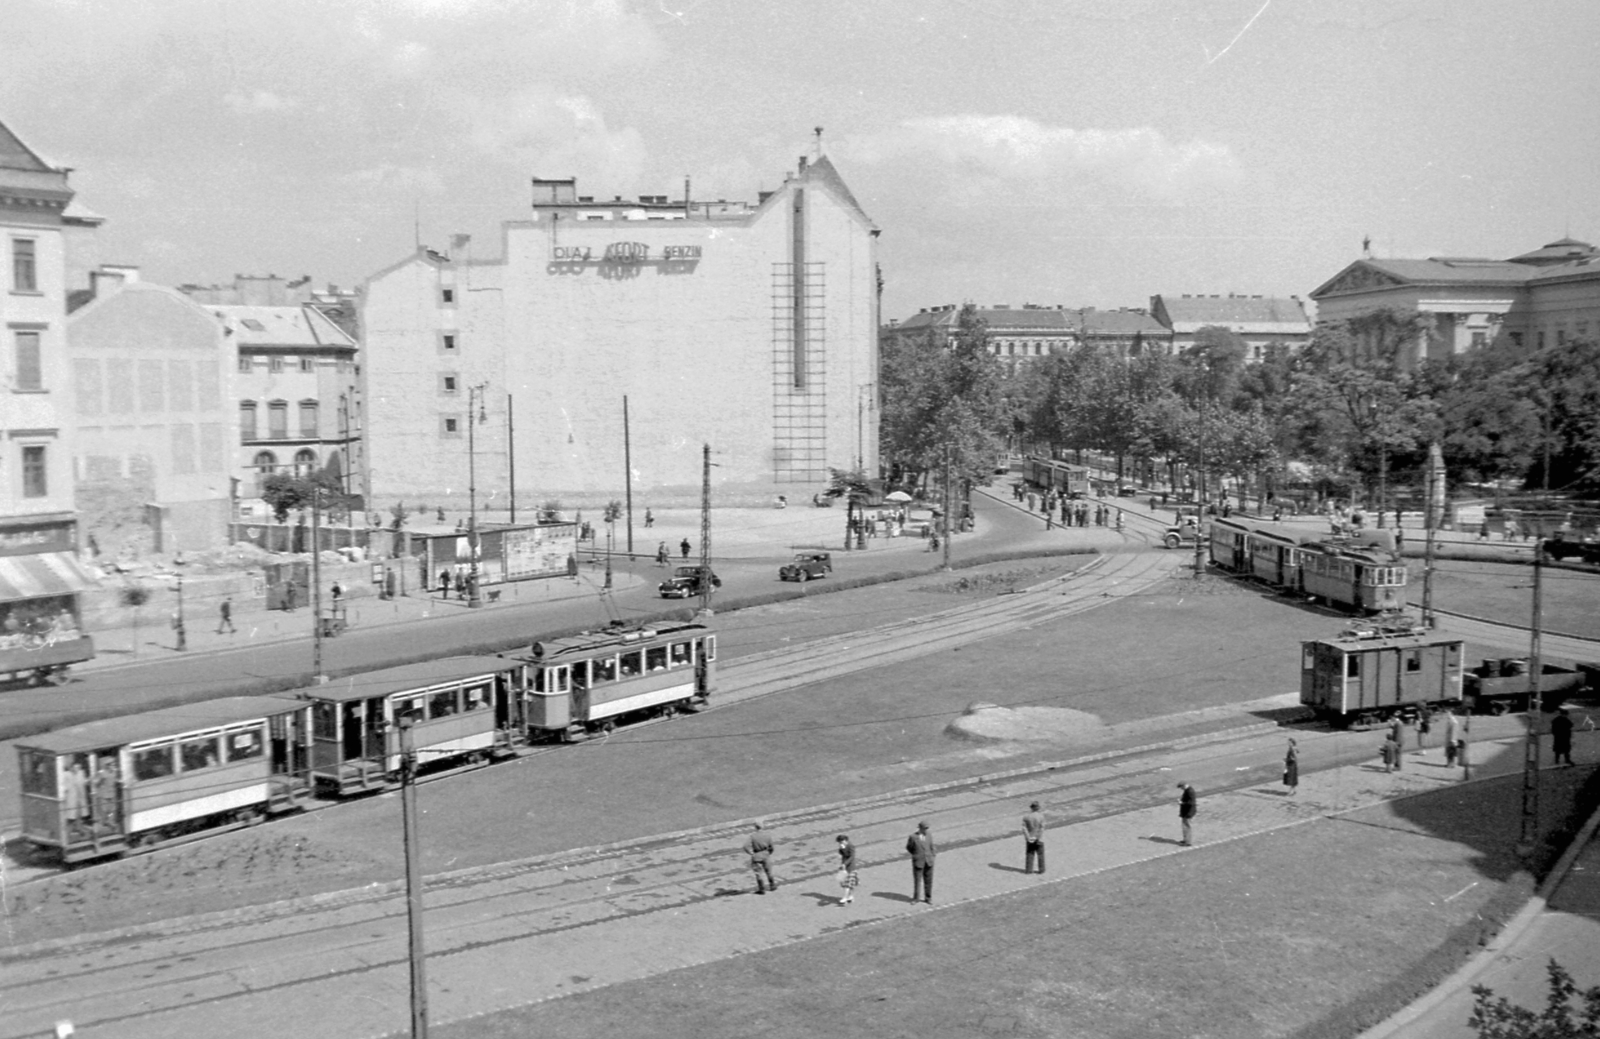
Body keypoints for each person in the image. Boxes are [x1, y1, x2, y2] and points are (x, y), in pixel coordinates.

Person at [743, 821, 777, 895]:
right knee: (769, 871)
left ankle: (761, 889)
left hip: (756, 855)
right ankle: (772, 885)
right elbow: (772, 847)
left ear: (755, 827)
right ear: (763, 827)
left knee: (758, 873)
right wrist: (769, 853)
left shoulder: (752, 836)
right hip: (766, 854)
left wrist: (751, 853)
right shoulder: (768, 835)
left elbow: (745, 846)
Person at [906, 820, 936, 903]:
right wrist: (916, 855)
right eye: (924, 828)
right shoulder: (913, 837)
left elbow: (931, 846)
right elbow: (909, 847)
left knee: (929, 880)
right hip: (918, 861)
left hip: (929, 861)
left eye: (927, 828)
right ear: (920, 828)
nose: (926, 830)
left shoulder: (929, 835)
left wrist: (933, 855)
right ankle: (916, 898)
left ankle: (928, 898)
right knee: (917, 881)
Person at [1021, 801, 1046, 874]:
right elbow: (1042, 828)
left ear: (1031, 808)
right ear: (1038, 808)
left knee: (1029, 854)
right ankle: (1041, 870)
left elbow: (1024, 828)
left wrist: (1027, 837)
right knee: (1040, 855)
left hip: (1030, 838)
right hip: (1039, 838)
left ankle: (1029, 870)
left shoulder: (1026, 817)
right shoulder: (1041, 816)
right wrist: (1038, 837)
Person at [835, 834, 859, 906]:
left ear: (845, 840)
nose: (840, 843)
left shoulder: (851, 846)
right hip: (845, 867)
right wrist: (841, 849)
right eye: (839, 842)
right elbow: (842, 854)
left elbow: (851, 856)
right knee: (850, 884)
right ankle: (850, 896)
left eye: (841, 842)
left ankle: (845, 898)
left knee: (847, 884)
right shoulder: (844, 846)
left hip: (850, 867)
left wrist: (845, 864)